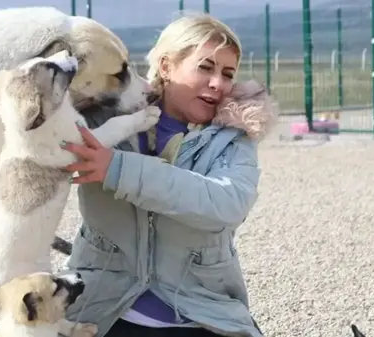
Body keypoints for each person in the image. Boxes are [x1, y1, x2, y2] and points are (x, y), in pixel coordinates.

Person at [59, 12, 276, 337]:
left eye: (228, 73)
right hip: (100, 309)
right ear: (166, 66)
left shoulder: (234, 137)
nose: (218, 83)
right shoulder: (105, 119)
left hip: (201, 314)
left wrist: (117, 168)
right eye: (205, 67)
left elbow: (227, 203)